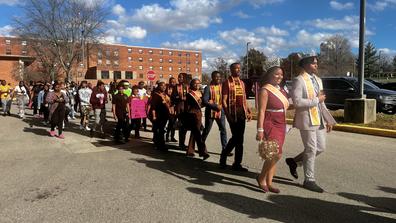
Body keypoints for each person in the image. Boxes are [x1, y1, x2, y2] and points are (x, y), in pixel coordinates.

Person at [285, 55, 336, 193]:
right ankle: (309, 180)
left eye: (316, 63)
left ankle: (294, 162)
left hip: (318, 119)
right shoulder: (299, 80)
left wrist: (328, 119)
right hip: (306, 119)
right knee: (311, 149)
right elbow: (297, 102)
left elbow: (322, 102)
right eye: (314, 64)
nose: (316, 66)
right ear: (306, 65)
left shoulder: (318, 80)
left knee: (321, 148)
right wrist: (316, 100)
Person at [256, 66, 290, 193]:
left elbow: (286, 105)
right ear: (270, 75)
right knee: (276, 153)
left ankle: (269, 183)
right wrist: (260, 129)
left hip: (282, 122)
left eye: (281, 74)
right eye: (276, 74)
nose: (280, 76)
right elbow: (261, 111)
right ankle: (261, 178)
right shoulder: (265, 90)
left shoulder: (282, 90)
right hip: (270, 122)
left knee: (276, 153)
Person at [219, 63, 252, 171]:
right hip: (232, 113)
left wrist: (248, 109)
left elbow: (244, 98)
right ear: (231, 70)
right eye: (235, 68)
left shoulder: (242, 83)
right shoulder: (226, 83)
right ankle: (224, 155)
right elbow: (223, 101)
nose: (238, 70)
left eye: (239, 68)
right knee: (236, 137)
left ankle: (237, 163)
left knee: (240, 139)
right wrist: (228, 116)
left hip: (241, 113)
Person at [183, 79, 210, 160]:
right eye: (195, 83)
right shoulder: (189, 94)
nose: (197, 85)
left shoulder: (201, 93)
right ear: (191, 85)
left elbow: (201, 105)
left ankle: (190, 151)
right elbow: (187, 107)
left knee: (195, 133)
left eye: (198, 83)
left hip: (199, 114)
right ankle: (203, 152)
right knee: (197, 133)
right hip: (192, 115)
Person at [202, 71, 227, 153]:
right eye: (216, 77)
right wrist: (215, 106)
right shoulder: (208, 88)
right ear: (212, 77)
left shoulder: (222, 87)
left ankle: (225, 148)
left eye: (219, 77)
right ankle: (201, 145)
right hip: (210, 112)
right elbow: (205, 101)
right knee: (207, 130)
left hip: (221, 112)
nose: (218, 78)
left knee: (223, 130)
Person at [149, 81, 170, 151]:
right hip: (158, 115)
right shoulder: (156, 95)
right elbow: (153, 107)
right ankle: (161, 145)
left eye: (165, 86)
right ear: (158, 86)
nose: (164, 87)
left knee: (160, 130)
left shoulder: (165, 94)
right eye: (161, 85)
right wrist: (154, 116)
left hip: (164, 115)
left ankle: (157, 142)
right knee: (160, 130)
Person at [171, 73, 189, 150]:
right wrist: (179, 97)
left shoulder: (189, 86)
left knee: (185, 126)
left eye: (181, 77)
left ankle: (183, 143)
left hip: (187, 108)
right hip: (179, 108)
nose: (179, 79)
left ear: (185, 78)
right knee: (181, 125)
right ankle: (181, 144)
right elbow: (173, 97)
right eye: (179, 77)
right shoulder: (176, 87)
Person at [165, 77, 177, 142]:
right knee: (168, 122)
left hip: (174, 108)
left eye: (174, 82)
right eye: (171, 82)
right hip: (167, 107)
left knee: (173, 123)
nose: (173, 83)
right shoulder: (166, 88)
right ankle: (166, 136)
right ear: (169, 82)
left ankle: (172, 137)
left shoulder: (177, 88)